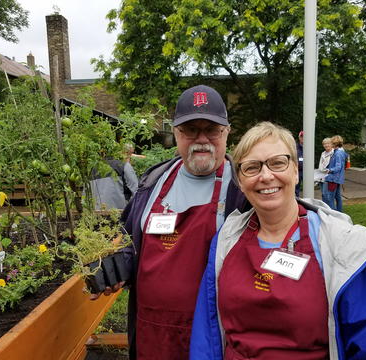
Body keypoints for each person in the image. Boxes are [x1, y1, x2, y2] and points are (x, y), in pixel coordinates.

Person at [190, 122, 366, 360]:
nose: (266, 176)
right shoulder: (226, 239)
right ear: (240, 181)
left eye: (278, 163)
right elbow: (206, 333)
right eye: (252, 167)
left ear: (295, 171)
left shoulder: (346, 246)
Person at [91, 85, 249, 360]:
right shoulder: (153, 183)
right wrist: (117, 267)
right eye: (190, 130)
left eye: (211, 129)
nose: (202, 140)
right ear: (175, 133)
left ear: (226, 132)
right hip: (152, 336)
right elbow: (131, 243)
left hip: (212, 337)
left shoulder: (243, 189)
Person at [323, 135, 347, 212]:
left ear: (335, 143)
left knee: (330, 198)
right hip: (337, 178)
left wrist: (329, 170)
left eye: (331, 142)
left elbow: (338, 167)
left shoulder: (338, 153)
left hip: (333, 178)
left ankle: (334, 214)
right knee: (337, 197)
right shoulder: (340, 152)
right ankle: (340, 213)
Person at [317, 137, 333, 204]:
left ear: (331, 144)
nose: (326, 145)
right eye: (324, 144)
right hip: (321, 174)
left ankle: (329, 209)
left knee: (326, 194)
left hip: (328, 175)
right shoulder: (323, 153)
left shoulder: (333, 153)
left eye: (328, 143)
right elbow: (321, 164)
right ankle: (325, 207)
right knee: (323, 194)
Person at [295, 130, 303, 197]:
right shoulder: (295, 147)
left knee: (308, 187)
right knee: (296, 187)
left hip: (306, 171)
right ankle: (296, 201)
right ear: (299, 137)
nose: (303, 138)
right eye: (302, 137)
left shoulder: (309, 147)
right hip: (298, 170)